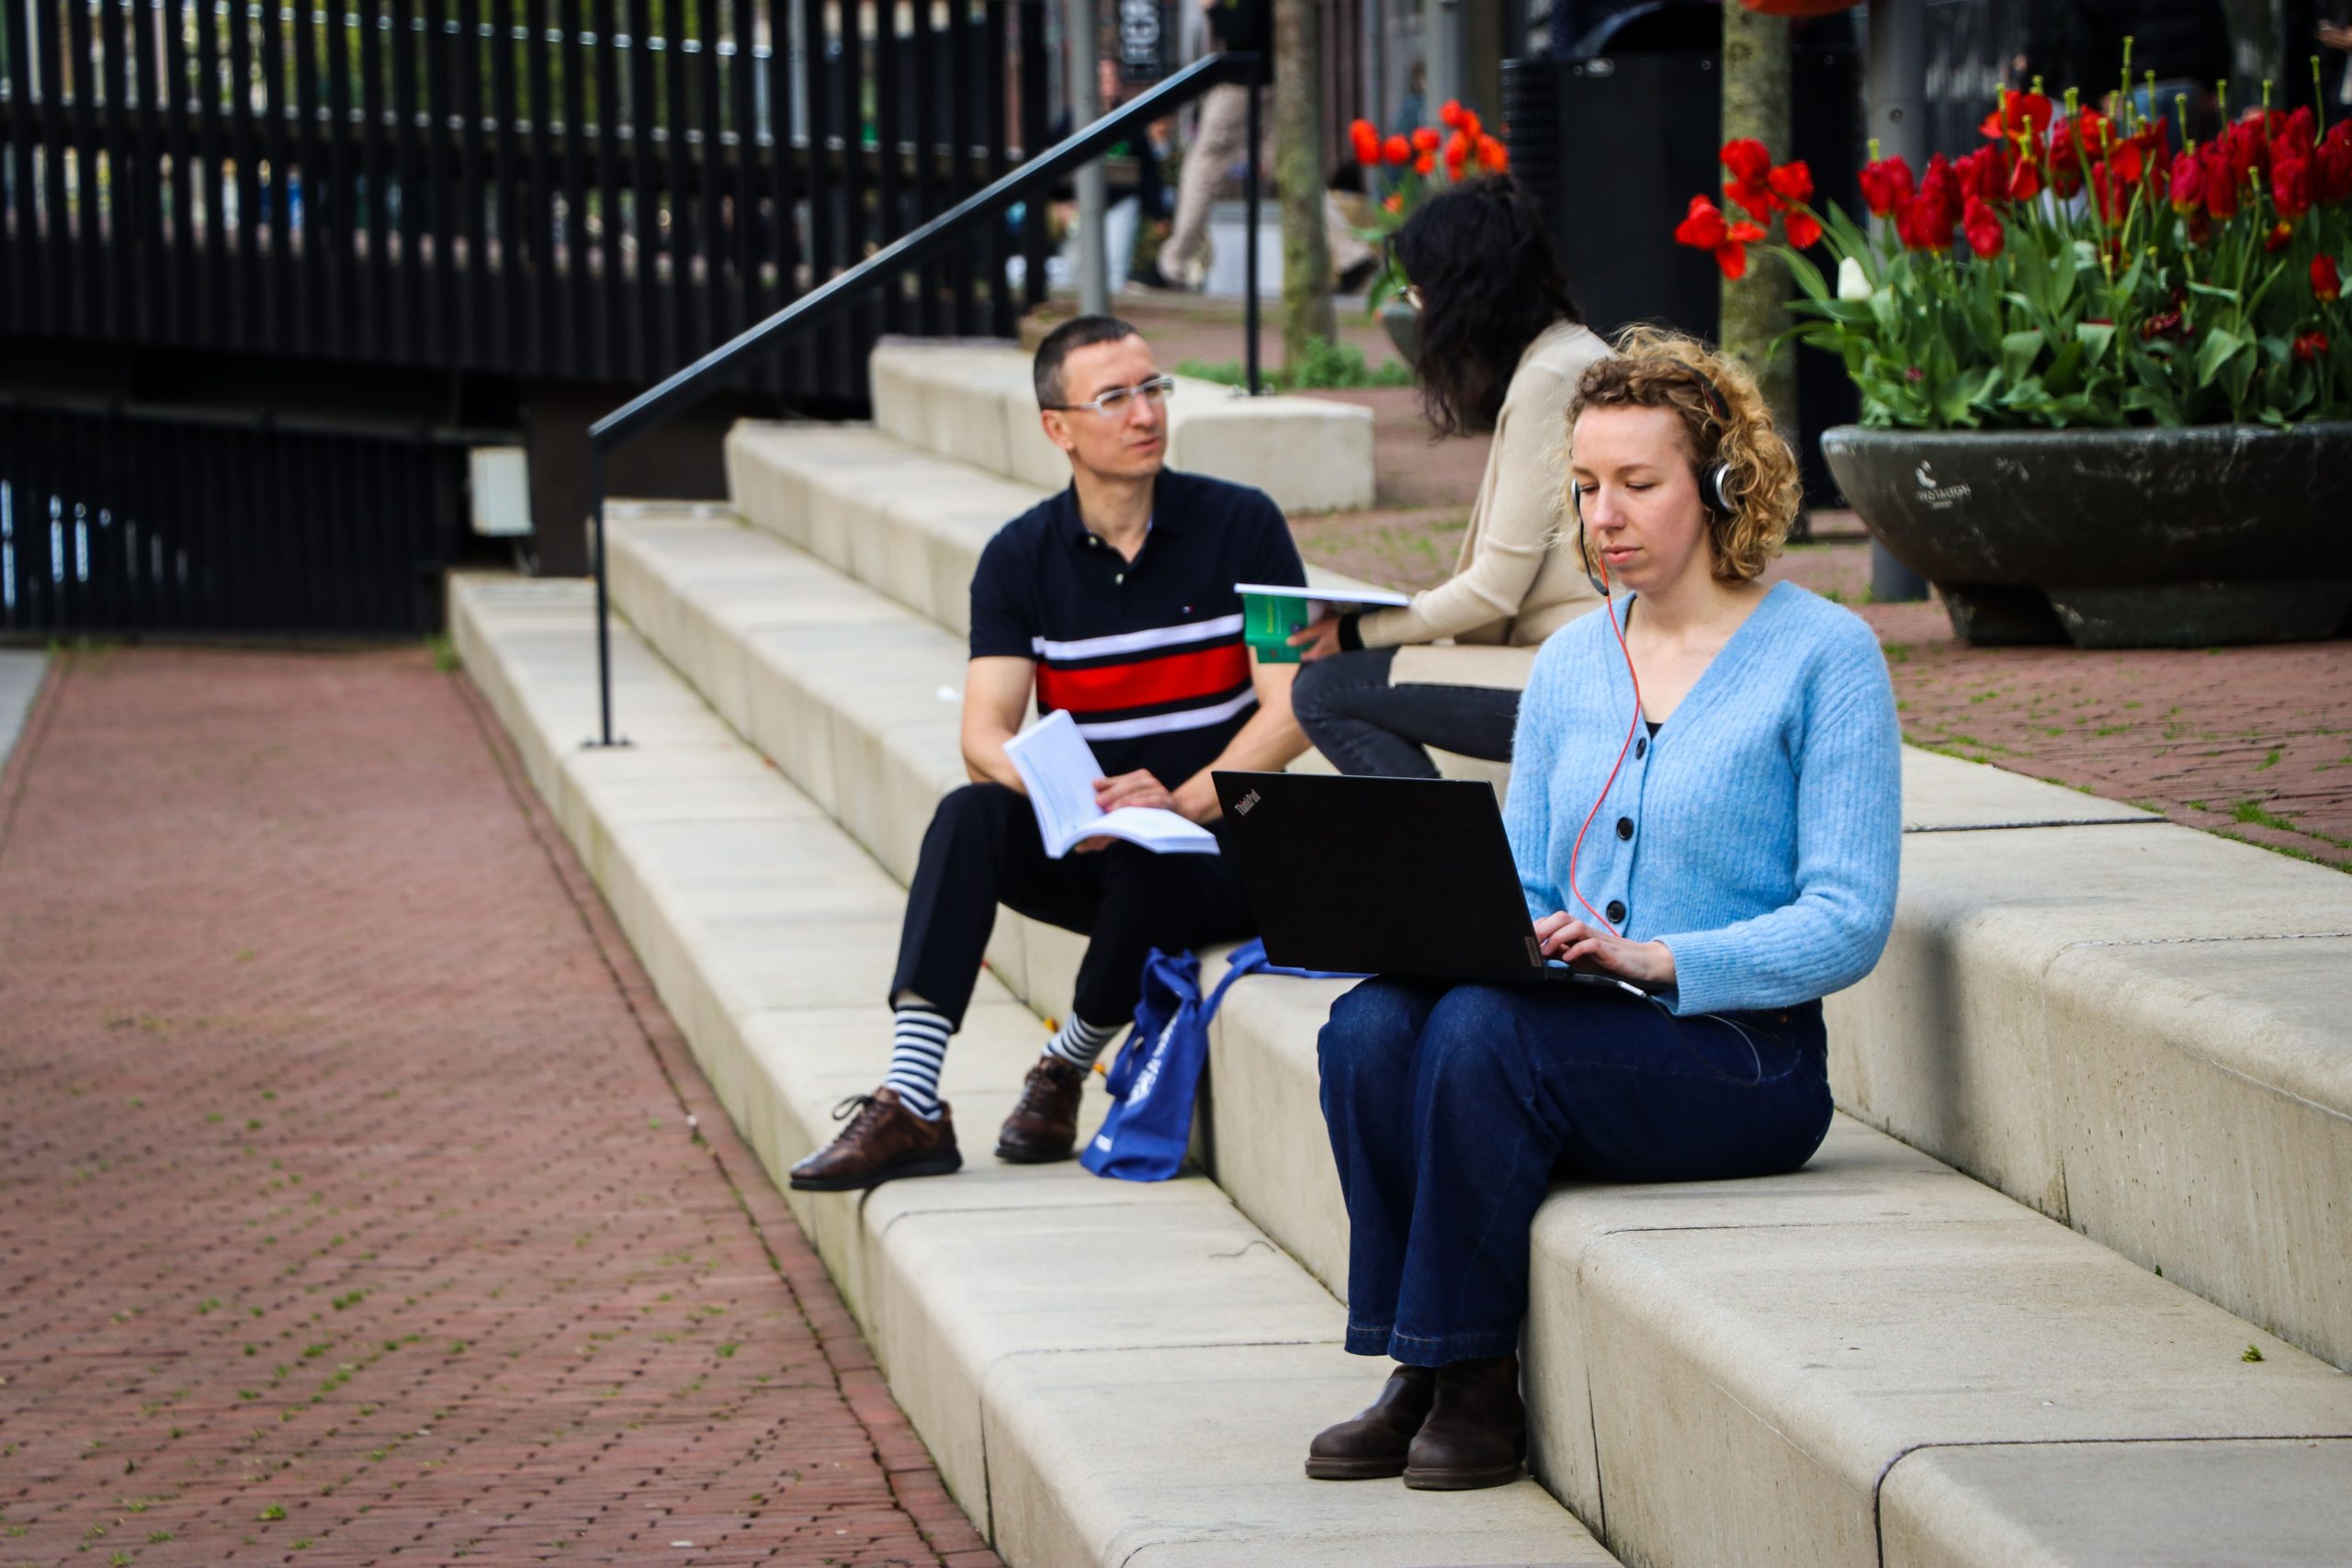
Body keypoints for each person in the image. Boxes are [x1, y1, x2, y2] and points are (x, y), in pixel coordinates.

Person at [1302, 327, 1901, 1490]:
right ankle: (1417, 1366)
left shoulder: (1827, 658)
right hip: (1578, 1020)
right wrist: (1475, 930)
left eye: (1637, 483)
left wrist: (1657, 957)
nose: (1603, 515)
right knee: (1370, 1025)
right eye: (1584, 487)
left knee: (1482, 1034)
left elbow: (1849, 918)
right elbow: (1526, 877)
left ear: (1725, 484)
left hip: (1744, 1058)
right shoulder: (1576, 661)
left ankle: (1474, 1382)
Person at [788, 316, 1312, 1192]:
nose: (1145, 413)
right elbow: (982, 733)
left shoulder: (1243, 527)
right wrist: (1072, 801)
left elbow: (1293, 705)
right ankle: (912, 1096)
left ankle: (1066, 1066)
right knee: (970, 814)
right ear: (1057, 427)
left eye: (1153, 388)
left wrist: (1176, 805)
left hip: (1224, 845)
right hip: (1098, 844)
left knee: (1153, 858)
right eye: (1114, 397)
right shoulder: (1018, 559)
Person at [1287, 176, 1609, 777]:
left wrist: (1358, 632)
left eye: (1418, 293)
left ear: (1462, 294)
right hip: (1588, 652)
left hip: (1579, 667)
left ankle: (1447, 865)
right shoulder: (1571, 355)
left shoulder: (1550, 378)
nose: (1421, 314)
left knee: (1324, 689)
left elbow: (1493, 589)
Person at [1154, 0, 1373, 290]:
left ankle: (1175, 263)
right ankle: (1351, 255)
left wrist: (1212, 8)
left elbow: (1242, 31)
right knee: (1293, 174)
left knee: (1202, 169)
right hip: (1270, 80)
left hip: (1242, 84)